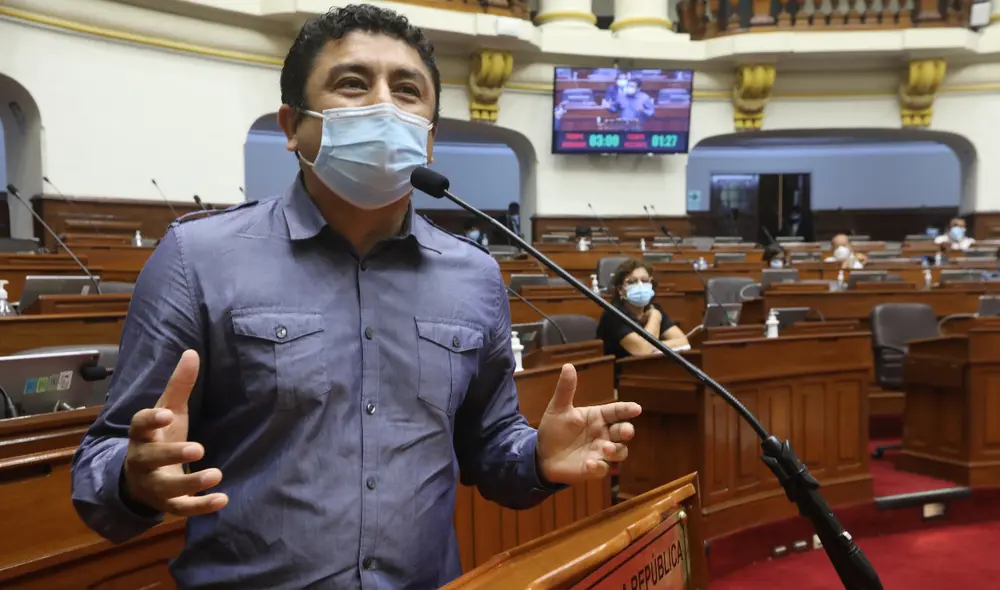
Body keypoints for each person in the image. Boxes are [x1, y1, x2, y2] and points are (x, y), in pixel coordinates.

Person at [69, 6, 642, 589]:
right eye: (352, 83)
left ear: (430, 139)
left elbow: (489, 446)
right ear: (292, 126)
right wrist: (134, 479)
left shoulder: (474, 275)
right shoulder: (197, 258)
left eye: (407, 89)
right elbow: (100, 464)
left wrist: (537, 458)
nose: (384, 105)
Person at [597, 259, 689, 359]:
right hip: (622, 371)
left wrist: (652, 346)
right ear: (620, 289)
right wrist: (655, 317)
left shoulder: (654, 307)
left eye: (645, 281)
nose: (640, 285)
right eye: (632, 282)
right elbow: (643, 351)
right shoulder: (613, 315)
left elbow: (683, 342)